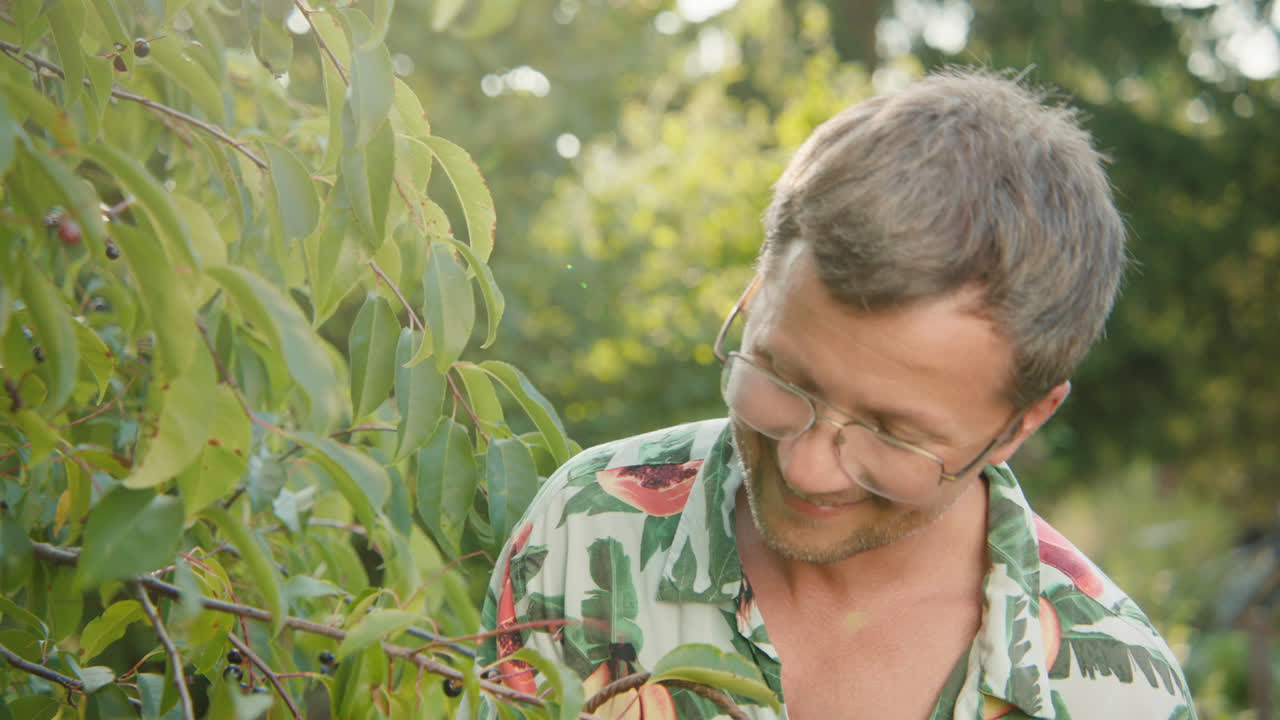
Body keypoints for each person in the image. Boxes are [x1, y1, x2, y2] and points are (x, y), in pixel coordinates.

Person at [471, 69, 1197, 719]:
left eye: (892, 432)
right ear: (756, 300)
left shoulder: (1115, 695)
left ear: (1019, 426)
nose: (807, 468)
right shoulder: (589, 528)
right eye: (785, 380)